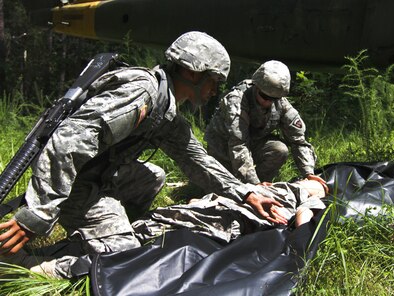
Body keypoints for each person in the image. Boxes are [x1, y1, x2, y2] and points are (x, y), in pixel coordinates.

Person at [0, 32, 286, 278]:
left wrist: (246, 192)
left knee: (154, 177)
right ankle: (31, 266)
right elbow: (69, 142)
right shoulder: (143, 93)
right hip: (78, 181)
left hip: (101, 172)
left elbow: (197, 160)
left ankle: (109, 229)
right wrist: (38, 214)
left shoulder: (165, 108)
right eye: (214, 80)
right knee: (126, 258)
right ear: (193, 72)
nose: (215, 90)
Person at [205, 60, 326, 188]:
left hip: (252, 143)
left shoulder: (282, 104)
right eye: (264, 96)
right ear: (256, 87)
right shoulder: (237, 101)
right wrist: (253, 183)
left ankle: (261, 185)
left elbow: (299, 141)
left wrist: (308, 173)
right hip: (222, 149)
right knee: (221, 189)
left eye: (274, 99)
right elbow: (238, 144)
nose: (268, 102)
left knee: (279, 150)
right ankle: (250, 184)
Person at [133, 178, 328, 244]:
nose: (303, 180)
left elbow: (306, 214)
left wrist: (302, 238)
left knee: (173, 221)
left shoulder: (307, 197)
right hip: (225, 206)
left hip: (236, 215)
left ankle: (127, 238)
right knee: (176, 218)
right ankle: (126, 237)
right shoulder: (273, 186)